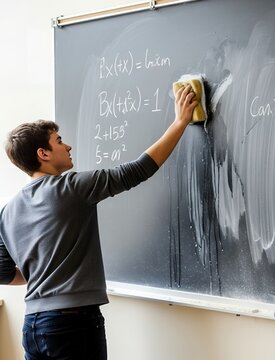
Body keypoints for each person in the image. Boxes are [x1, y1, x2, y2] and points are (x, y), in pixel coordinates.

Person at [0, 84, 198, 360]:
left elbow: (4, 273)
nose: (67, 145)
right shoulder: (71, 187)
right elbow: (137, 171)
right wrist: (180, 122)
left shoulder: (7, 211)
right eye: (58, 141)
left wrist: (43, 273)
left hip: (33, 325)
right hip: (73, 323)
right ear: (42, 154)